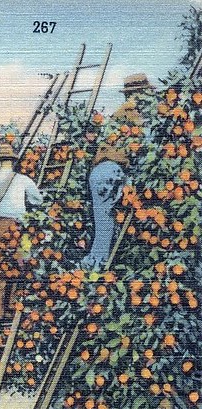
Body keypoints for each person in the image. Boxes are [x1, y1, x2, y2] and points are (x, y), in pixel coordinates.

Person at [81, 73, 153, 270]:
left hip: (98, 172)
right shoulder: (136, 114)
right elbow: (146, 147)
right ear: (141, 94)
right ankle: (95, 270)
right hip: (113, 171)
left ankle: (92, 266)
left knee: (103, 224)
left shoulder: (118, 114)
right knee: (108, 226)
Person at [0, 144, 43, 322]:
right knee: (21, 261)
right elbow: (37, 200)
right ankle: (13, 303)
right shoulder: (22, 179)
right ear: (13, 161)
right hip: (18, 226)